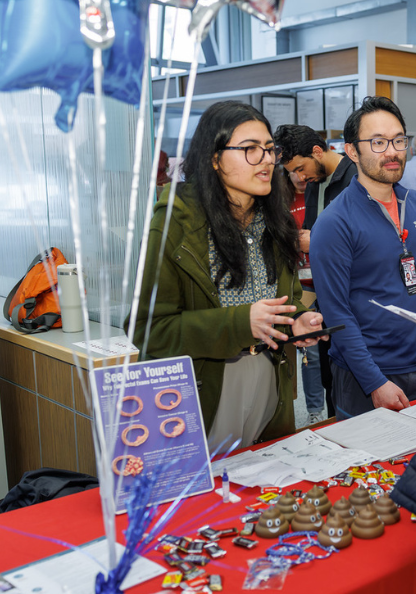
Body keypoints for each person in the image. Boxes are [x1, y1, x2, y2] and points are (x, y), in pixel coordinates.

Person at [130, 101, 327, 449]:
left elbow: (285, 299)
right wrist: (239, 323)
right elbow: (148, 331)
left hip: (270, 380)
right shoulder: (176, 223)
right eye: (250, 149)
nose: (266, 160)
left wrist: (295, 321)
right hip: (205, 387)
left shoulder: (275, 218)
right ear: (214, 158)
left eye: (269, 150)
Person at [310, 96, 416, 419]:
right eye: (378, 142)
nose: (392, 152)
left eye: (397, 140)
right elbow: (336, 312)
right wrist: (374, 381)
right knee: (368, 468)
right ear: (352, 151)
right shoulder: (335, 222)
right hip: (364, 375)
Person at [273, 124, 358, 417]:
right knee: (328, 373)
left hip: (353, 298)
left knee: (352, 375)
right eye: (292, 172)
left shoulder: (355, 179)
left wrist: (316, 241)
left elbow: (365, 240)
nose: (299, 177)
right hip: (323, 293)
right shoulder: (313, 183)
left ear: (318, 151)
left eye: (300, 167)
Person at [284, 167, 327, 425]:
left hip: (325, 279)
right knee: (310, 350)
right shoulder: (280, 202)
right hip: (301, 286)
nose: (301, 178)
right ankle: (314, 409)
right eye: (294, 172)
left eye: (304, 171)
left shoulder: (318, 193)